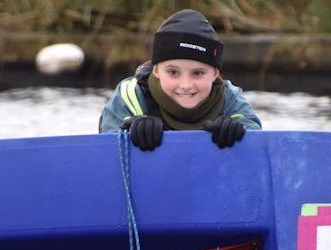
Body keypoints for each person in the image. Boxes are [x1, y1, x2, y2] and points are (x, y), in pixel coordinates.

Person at [99, 9, 261, 151]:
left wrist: (240, 134)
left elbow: (256, 134)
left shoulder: (229, 97)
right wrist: (130, 131)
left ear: (215, 74)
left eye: (198, 73)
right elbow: (106, 139)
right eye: (173, 72)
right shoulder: (131, 93)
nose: (186, 85)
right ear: (156, 70)